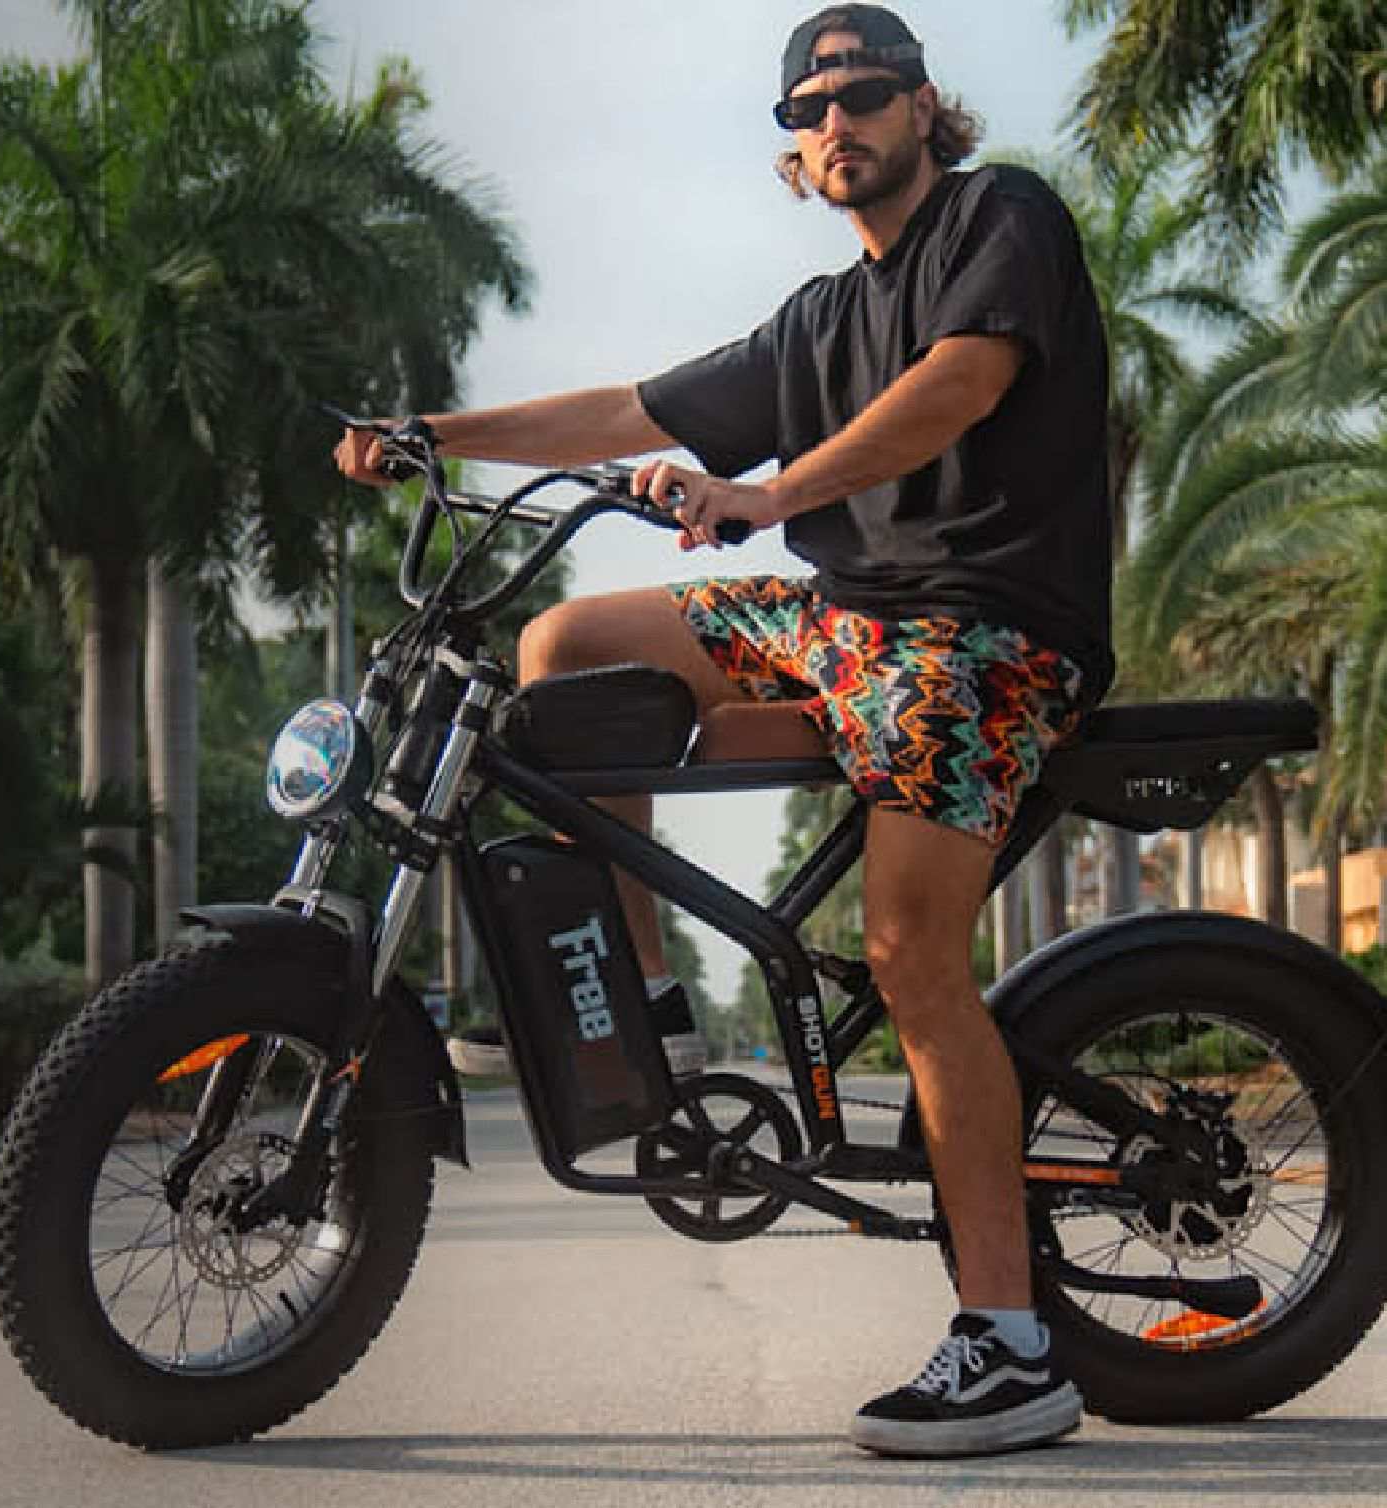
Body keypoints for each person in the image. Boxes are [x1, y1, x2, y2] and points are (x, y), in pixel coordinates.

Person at [334, 4, 1112, 1459]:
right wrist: (436, 434)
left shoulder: (999, 221)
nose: (838, 125)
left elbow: (963, 382)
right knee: (565, 650)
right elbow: (627, 407)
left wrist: (761, 493)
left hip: (989, 630)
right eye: (809, 111)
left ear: (927, 109)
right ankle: (659, 1014)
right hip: (848, 620)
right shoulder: (817, 324)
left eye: (867, 95)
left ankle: (1009, 1343)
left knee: (909, 953)